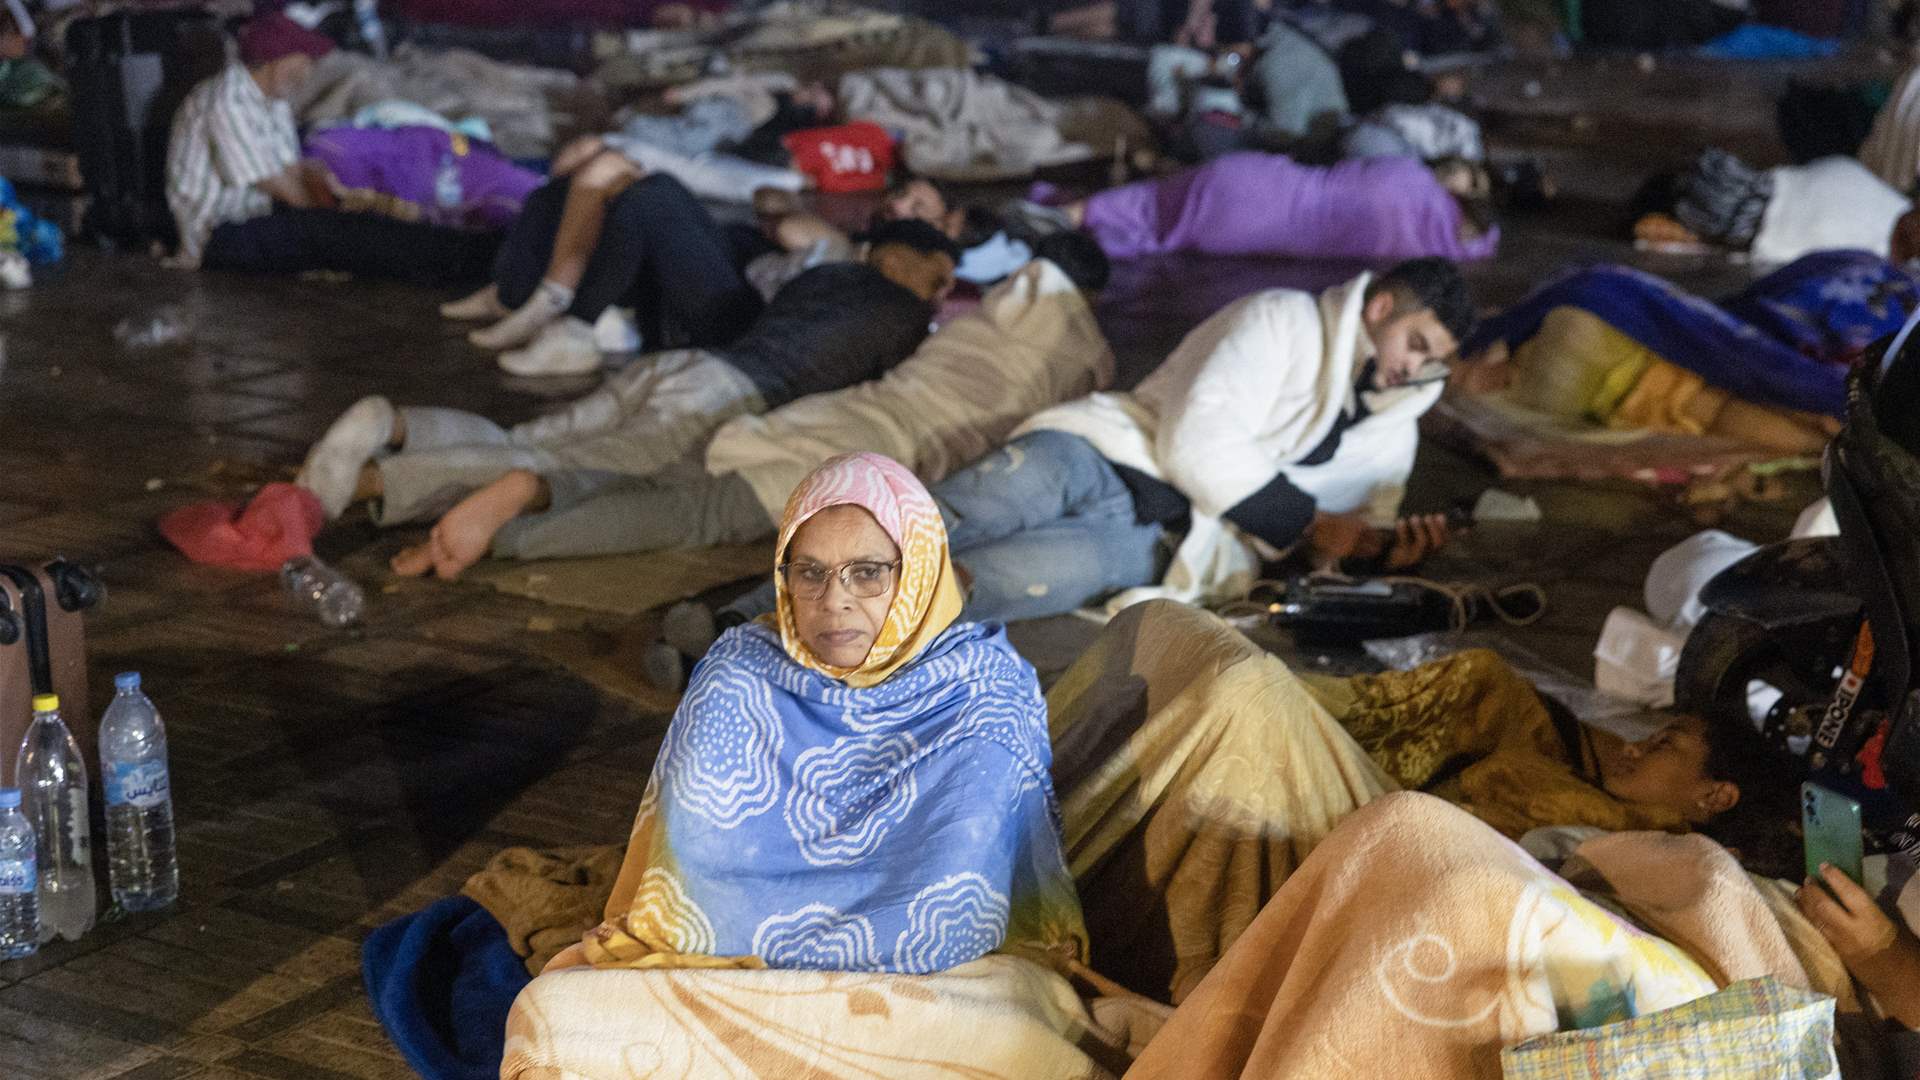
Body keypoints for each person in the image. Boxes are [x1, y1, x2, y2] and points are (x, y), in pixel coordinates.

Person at [528, 450, 1086, 972]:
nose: (833, 600)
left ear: (918, 571)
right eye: (810, 572)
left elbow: (964, 906)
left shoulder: (984, 690)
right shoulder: (741, 674)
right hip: (723, 968)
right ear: (782, 577)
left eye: (868, 572)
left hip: (923, 983)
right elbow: (690, 886)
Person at [391, 236, 1114, 584]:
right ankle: (511, 530)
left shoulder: (982, 316)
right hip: (863, 460)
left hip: (826, 416)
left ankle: (529, 487)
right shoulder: (1076, 352)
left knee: (669, 481)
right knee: (690, 514)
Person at [295, 219, 958, 567]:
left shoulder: (826, 276)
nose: (941, 296)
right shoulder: (904, 314)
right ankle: (369, 483)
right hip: (721, 402)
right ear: (899, 264)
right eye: (937, 279)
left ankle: (393, 421)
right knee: (562, 471)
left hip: (678, 367)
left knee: (526, 441)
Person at [923, 257, 1475, 624]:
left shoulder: (1393, 437)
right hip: (1108, 451)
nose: (1416, 368)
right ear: (1380, 309)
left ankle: (850, 628)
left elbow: (1331, 555)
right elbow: (1197, 442)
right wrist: (1311, 523)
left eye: (1432, 359)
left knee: (973, 589)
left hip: (1168, 541)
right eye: (1416, 344)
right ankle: (841, 557)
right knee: (947, 516)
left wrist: (1379, 556)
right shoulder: (1283, 318)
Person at [444, 171, 967, 373]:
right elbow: (775, 213)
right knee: (585, 180)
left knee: (655, 197)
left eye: (918, 206)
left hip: (734, 322)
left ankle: (575, 328)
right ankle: (516, 295)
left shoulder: (872, 296)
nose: (900, 206)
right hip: (729, 280)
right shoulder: (844, 248)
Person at [1457, 250, 1917, 454]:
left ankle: (1841, 442)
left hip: (1597, 320)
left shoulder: (1864, 267)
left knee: (1738, 398)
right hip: (1594, 339)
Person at [164, 13, 500, 285]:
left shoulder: (271, 101)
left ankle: (469, 255)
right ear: (276, 59)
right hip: (217, 238)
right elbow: (284, 188)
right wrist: (339, 208)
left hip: (257, 216)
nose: (309, 71)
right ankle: (465, 262)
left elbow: (294, 170)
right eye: (304, 60)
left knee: (354, 224)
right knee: (333, 232)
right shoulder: (227, 103)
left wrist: (337, 191)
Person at [1059, 151, 1497, 262]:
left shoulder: (1409, 174)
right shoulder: (1421, 248)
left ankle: (1076, 213)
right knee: (1157, 232)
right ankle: (1085, 228)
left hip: (1258, 179)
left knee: (1150, 202)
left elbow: (1347, 167)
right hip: (1250, 232)